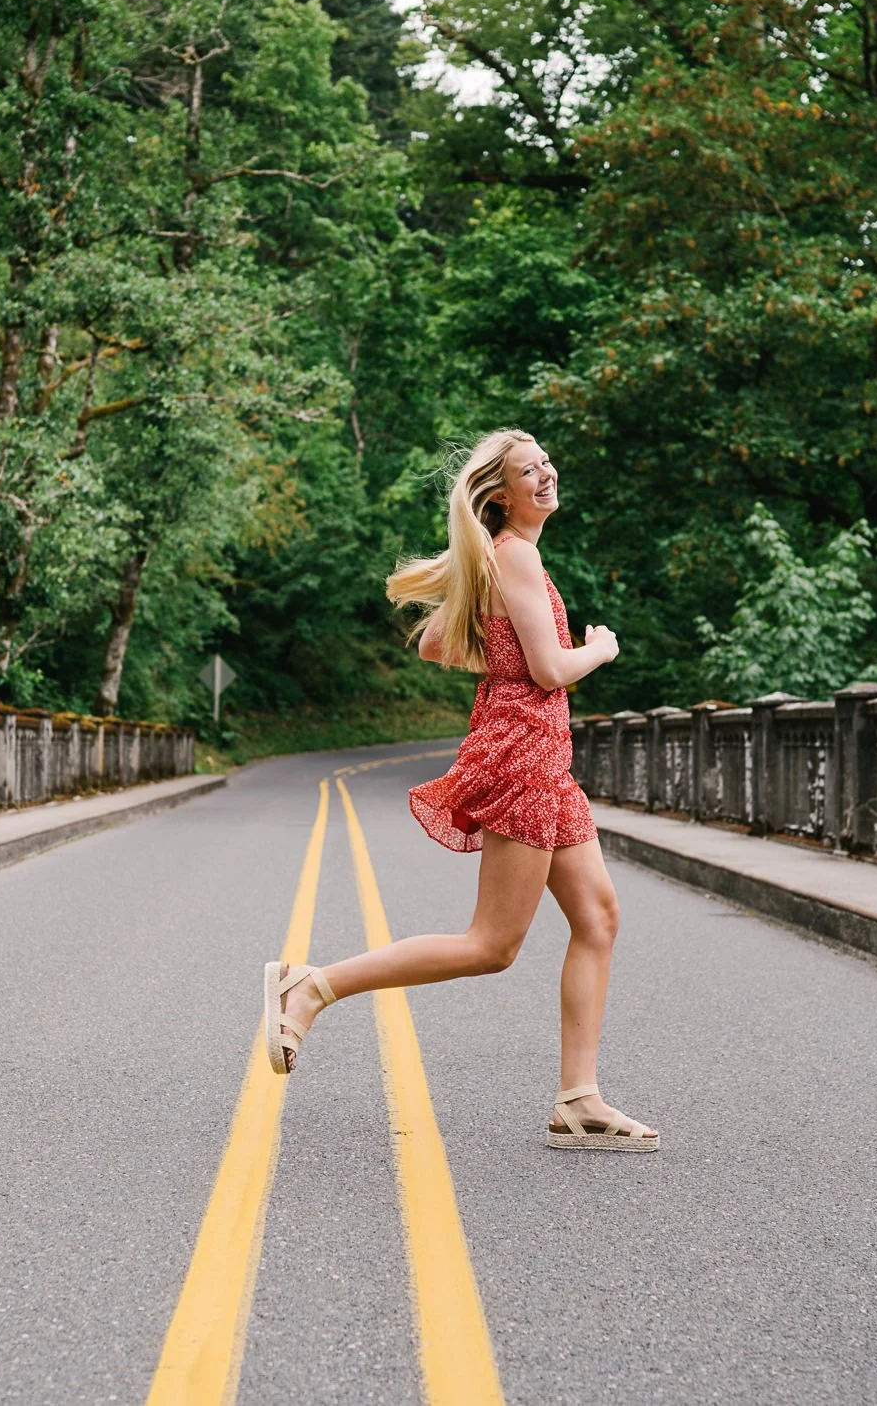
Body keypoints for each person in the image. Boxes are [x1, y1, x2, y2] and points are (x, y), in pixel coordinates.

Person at [261, 430, 658, 1152]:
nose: (546, 474)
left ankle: (579, 1099)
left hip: (544, 760)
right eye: (528, 470)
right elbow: (549, 671)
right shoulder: (516, 555)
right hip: (524, 758)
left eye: (546, 462)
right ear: (501, 494)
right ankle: (310, 987)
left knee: (598, 917)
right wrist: (598, 649)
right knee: (491, 944)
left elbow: (433, 643)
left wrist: (498, 647)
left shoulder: (498, 557)